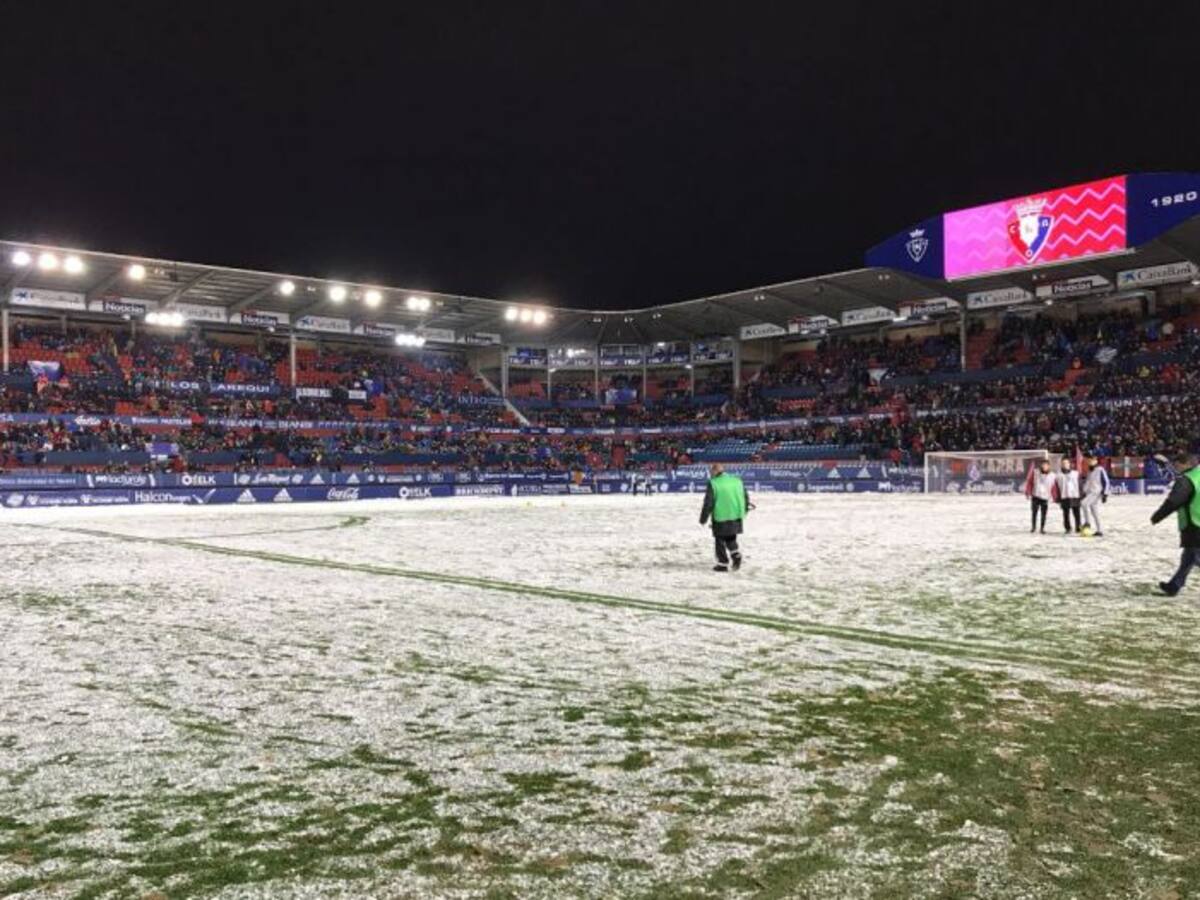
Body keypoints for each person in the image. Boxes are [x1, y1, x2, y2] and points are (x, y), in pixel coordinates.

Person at [1150, 448, 1200, 597]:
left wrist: (1157, 517)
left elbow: (1174, 501)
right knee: (1188, 557)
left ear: (1184, 464)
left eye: (1177, 464)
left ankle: (1175, 585)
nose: (1175, 466)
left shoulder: (1187, 480)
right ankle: (1174, 585)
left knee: (1195, 556)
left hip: (1195, 523)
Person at [699, 462, 750, 572]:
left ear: (715, 471)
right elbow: (745, 497)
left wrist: (703, 518)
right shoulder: (737, 481)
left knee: (720, 539)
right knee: (731, 537)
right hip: (736, 514)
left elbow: (708, 503)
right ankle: (736, 555)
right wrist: (744, 511)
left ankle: (722, 564)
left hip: (721, 515)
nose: (710, 474)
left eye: (711, 472)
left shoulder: (713, 483)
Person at [1080, 455, 1111, 537]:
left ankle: (1087, 522)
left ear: (1096, 461)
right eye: (1089, 460)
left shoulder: (1100, 469)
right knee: (1094, 512)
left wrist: (1105, 494)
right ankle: (1099, 530)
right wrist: (1084, 491)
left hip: (1096, 493)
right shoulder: (1089, 471)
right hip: (1090, 493)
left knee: (1083, 503)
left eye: (1093, 460)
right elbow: (1088, 483)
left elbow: (1106, 481)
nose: (1091, 462)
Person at [1025, 458, 1055, 534]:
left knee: (1044, 514)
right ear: (1041, 465)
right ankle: (1033, 527)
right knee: (1034, 513)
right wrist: (1028, 492)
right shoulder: (1035, 472)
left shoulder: (1053, 475)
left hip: (1045, 497)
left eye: (1046, 465)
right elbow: (1030, 482)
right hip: (1036, 495)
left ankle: (1042, 528)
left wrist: (1054, 496)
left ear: (1049, 466)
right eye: (1043, 465)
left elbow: (1054, 487)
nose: (1044, 466)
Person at [1055, 456, 1082, 534]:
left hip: (1075, 495)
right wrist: (1057, 497)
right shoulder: (1058, 475)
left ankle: (1078, 527)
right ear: (1061, 464)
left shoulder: (1075, 473)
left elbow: (1080, 485)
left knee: (1077, 513)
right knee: (1066, 514)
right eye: (1063, 463)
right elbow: (1056, 487)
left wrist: (1081, 494)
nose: (1065, 465)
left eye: (1066, 463)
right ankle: (1068, 528)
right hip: (1064, 496)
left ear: (1070, 464)